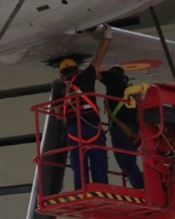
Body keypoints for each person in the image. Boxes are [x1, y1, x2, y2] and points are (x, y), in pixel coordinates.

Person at [59, 25, 112, 190]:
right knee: (99, 162)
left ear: (61, 74)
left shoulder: (62, 90)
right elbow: (99, 58)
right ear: (77, 69)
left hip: (74, 131)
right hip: (92, 128)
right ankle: (100, 191)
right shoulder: (87, 77)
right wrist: (107, 38)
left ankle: (81, 190)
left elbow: (58, 115)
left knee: (78, 165)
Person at [100, 66, 145, 189]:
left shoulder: (114, 82)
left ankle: (141, 187)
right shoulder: (131, 89)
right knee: (130, 160)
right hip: (135, 130)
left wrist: (127, 129)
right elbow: (140, 110)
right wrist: (139, 133)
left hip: (123, 130)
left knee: (126, 162)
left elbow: (113, 115)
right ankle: (144, 184)